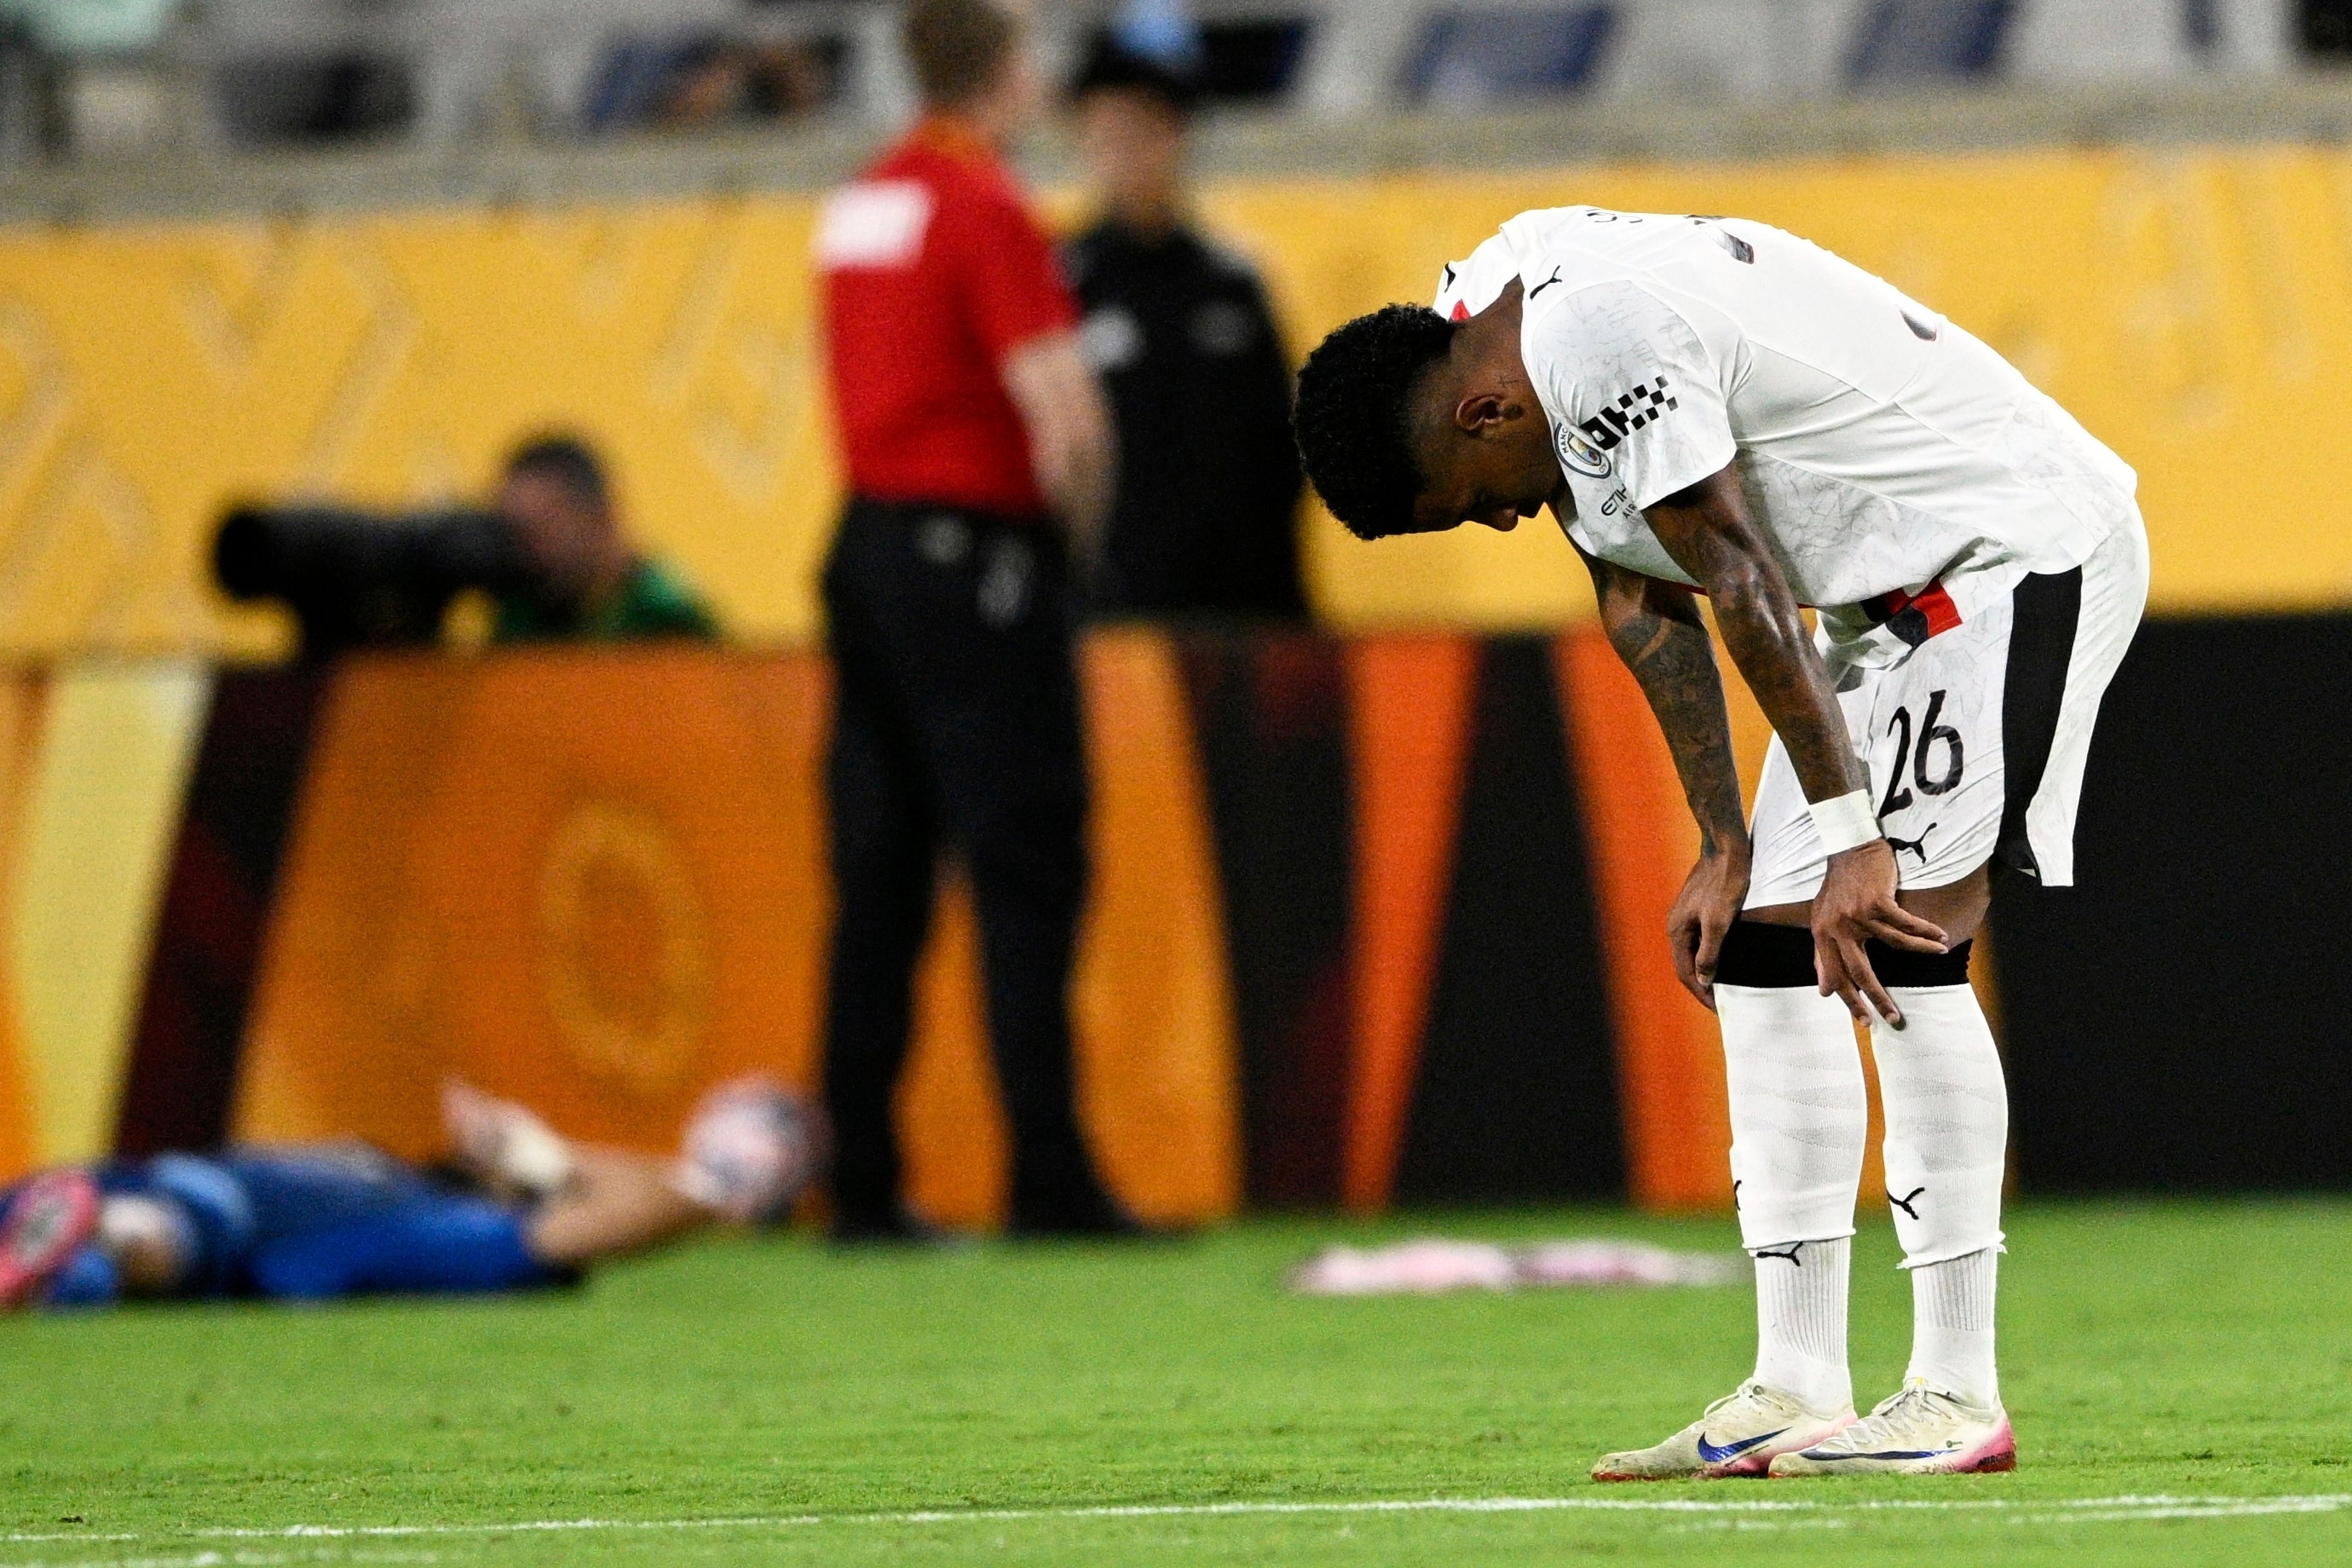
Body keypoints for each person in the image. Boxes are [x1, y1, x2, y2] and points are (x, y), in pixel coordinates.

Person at [1293, 206, 2147, 1478]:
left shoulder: (1594, 332)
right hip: (1876, 615)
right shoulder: (1502, 320)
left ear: (1478, 418)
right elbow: (1640, 583)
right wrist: (1721, 835)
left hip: (2007, 556)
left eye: (1474, 509)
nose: (1504, 524)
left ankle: (1958, 1391)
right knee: (1762, 956)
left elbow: (1736, 576)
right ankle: (1796, 1381)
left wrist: (1853, 832)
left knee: (1902, 942)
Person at [812, 0, 1130, 1240]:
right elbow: (1066, 415)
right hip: (976, 561)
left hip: (866, 550)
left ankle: (863, 1186)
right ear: (1006, 72)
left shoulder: (859, 206)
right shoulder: (985, 206)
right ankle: (1047, 1177)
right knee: (1026, 866)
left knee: (878, 874)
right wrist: (1079, 553)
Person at [0, 1078, 819, 1311]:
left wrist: (545, 1155)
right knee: (145, 1215)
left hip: (188, 1218)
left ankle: (89, 1241)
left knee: (165, 1233)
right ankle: (75, 1241)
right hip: (107, 1181)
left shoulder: (446, 1226)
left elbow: (604, 1223)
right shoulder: (393, 1174)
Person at [1064, 32, 1306, 619]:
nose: (1122, 153)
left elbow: (1285, 442)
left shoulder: (1233, 283)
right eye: (1106, 136)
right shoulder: (1064, 286)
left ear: (1175, 136)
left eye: (1138, 133)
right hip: (1117, 611)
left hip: (1245, 603)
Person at [490, 435, 719, 643]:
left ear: (600, 519)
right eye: (512, 534)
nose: (527, 552)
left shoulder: (668, 619)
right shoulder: (524, 611)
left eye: (541, 530)